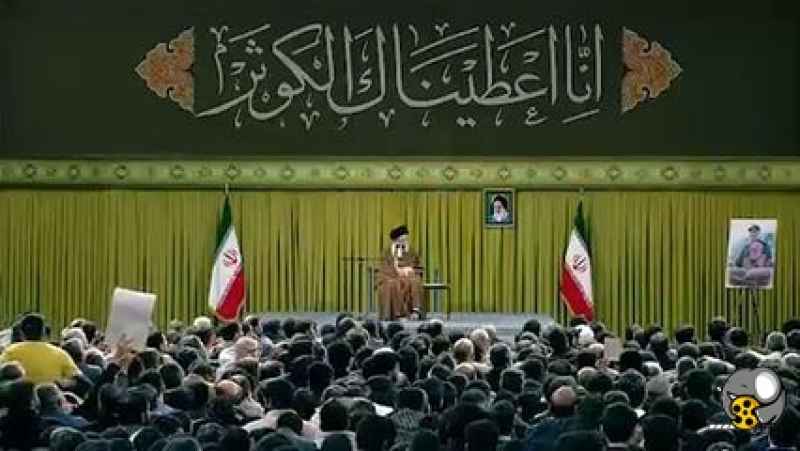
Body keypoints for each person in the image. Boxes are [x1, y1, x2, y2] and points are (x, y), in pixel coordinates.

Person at [0, 313, 81, 384]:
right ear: (43, 332)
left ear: (21, 333)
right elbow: (79, 379)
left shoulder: (10, 351)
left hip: (19, 395)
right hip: (50, 394)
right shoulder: (59, 353)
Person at [377, 225, 423, 321]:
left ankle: (415, 311)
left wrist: (409, 270)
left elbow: (417, 265)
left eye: (405, 239)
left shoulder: (411, 251)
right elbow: (383, 268)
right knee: (393, 284)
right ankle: (399, 314)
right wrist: (397, 271)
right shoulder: (387, 252)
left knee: (415, 281)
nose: (404, 242)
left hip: (409, 276)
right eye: (401, 240)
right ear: (395, 240)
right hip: (391, 276)